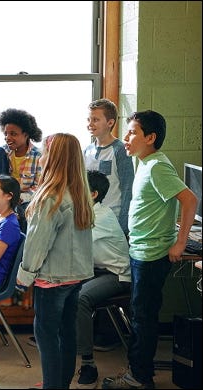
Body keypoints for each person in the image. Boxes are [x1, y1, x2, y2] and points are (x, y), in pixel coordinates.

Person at [101, 110, 197, 390]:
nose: (126, 137)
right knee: (140, 314)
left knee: (143, 317)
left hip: (152, 255)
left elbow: (189, 200)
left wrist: (180, 243)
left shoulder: (157, 166)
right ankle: (138, 372)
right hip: (141, 251)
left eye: (132, 132)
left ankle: (140, 378)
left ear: (150, 138)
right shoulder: (144, 162)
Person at [16, 133, 94, 389]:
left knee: (46, 337)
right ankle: (60, 384)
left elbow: (37, 244)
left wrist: (24, 276)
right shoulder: (80, 193)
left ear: (54, 158)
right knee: (66, 334)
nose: (42, 156)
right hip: (75, 277)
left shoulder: (50, 196)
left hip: (52, 279)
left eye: (46, 152)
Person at [75, 170, 131, 389]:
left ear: (93, 194)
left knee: (80, 299)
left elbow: (76, 246)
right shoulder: (87, 211)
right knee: (62, 289)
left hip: (118, 275)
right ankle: (66, 350)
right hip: (99, 271)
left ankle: (88, 364)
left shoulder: (100, 216)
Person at [83, 98, 134, 236]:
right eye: (88, 119)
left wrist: (124, 226)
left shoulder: (120, 150)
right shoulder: (87, 151)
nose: (90, 124)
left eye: (95, 120)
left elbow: (128, 188)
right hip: (91, 219)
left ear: (110, 122)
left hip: (113, 220)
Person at [0, 108, 43, 206]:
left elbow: (38, 187)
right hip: (3, 199)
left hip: (25, 202)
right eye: (6, 133)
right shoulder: (2, 153)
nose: (8, 137)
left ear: (26, 135)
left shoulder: (38, 156)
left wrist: (17, 198)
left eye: (13, 134)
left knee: (23, 210)